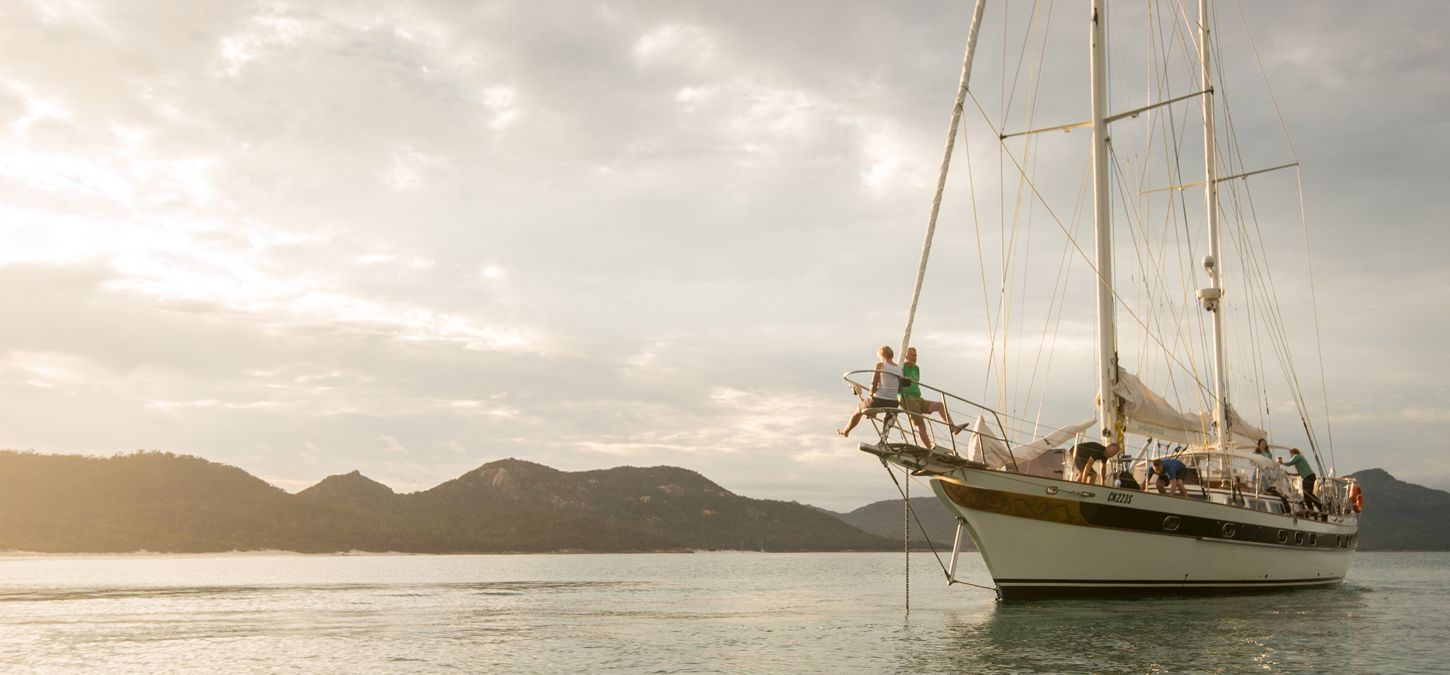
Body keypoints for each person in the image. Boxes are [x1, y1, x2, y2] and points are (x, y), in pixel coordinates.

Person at [898, 347, 961, 447]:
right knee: (921, 426)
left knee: (939, 405)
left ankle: (953, 427)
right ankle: (930, 448)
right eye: (913, 355)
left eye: (916, 355)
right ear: (906, 356)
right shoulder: (901, 367)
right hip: (907, 398)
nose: (915, 357)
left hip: (918, 398)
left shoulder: (916, 368)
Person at [838, 345, 904, 438]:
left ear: (882, 355)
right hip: (893, 402)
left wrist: (871, 394)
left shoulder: (881, 365)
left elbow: (873, 384)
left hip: (879, 400)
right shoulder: (899, 369)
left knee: (858, 411)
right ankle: (883, 439)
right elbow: (899, 389)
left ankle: (845, 430)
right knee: (887, 415)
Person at [1278, 448, 1324, 515]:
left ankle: (1317, 507)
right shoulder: (1299, 461)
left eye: (1291, 454)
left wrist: (1281, 463)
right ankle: (1314, 508)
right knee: (1308, 494)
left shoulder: (1297, 456)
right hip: (1309, 476)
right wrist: (1289, 474)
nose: (1291, 456)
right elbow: (1299, 473)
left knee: (1307, 494)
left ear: (1293, 453)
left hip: (1308, 476)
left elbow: (1289, 463)